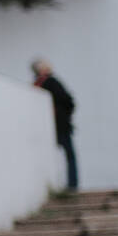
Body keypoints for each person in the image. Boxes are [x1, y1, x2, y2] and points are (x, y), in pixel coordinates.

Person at [32, 57, 78, 191]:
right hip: (58, 126)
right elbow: (68, 101)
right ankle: (70, 184)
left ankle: (71, 184)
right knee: (68, 155)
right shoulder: (47, 82)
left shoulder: (43, 83)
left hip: (55, 126)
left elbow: (68, 101)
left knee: (65, 155)